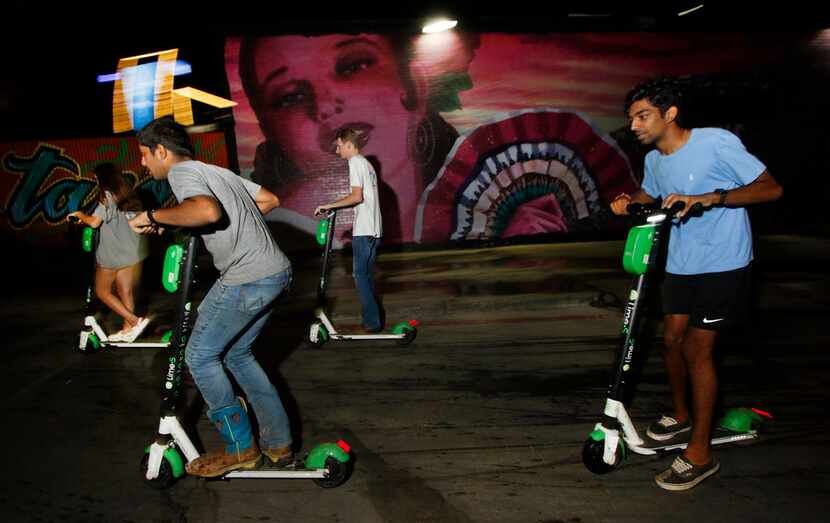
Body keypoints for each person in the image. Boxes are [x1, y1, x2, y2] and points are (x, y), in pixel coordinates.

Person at [610, 77, 783, 491]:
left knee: (695, 347)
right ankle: (683, 414)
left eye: (642, 115)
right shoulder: (655, 159)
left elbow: (771, 189)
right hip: (680, 262)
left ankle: (701, 453)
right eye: (631, 117)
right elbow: (649, 193)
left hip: (723, 262)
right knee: (671, 340)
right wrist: (629, 202)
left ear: (670, 114)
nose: (634, 125)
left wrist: (710, 198)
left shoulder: (715, 143)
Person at [128, 116, 294, 477]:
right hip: (275, 271)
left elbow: (206, 211)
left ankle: (240, 448)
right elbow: (268, 199)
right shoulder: (216, 171)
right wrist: (217, 229)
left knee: (200, 356)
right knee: (238, 354)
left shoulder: (182, 174)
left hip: (248, 277)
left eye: (144, 154)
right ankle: (278, 443)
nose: (142, 163)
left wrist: (152, 214)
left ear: (161, 151)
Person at [237, 33, 477, 243]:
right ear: (272, 133)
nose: (325, 105)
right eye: (291, 97)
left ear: (415, 84)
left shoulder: (474, 208)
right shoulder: (269, 233)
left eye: (354, 66)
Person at [67, 163, 149, 342]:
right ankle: (128, 331)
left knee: (102, 291)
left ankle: (134, 321)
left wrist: (80, 215)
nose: (95, 181)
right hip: (130, 252)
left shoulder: (106, 195)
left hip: (112, 254)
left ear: (103, 178)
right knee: (125, 291)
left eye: (96, 178)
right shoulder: (127, 195)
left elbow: (95, 222)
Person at [315, 128, 383, 333]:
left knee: (360, 276)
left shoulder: (355, 162)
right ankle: (373, 319)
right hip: (374, 229)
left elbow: (356, 197)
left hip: (364, 230)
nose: (337, 151)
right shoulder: (367, 164)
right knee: (366, 276)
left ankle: (372, 322)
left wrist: (329, 205)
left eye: (338, 146)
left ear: (348, 144)